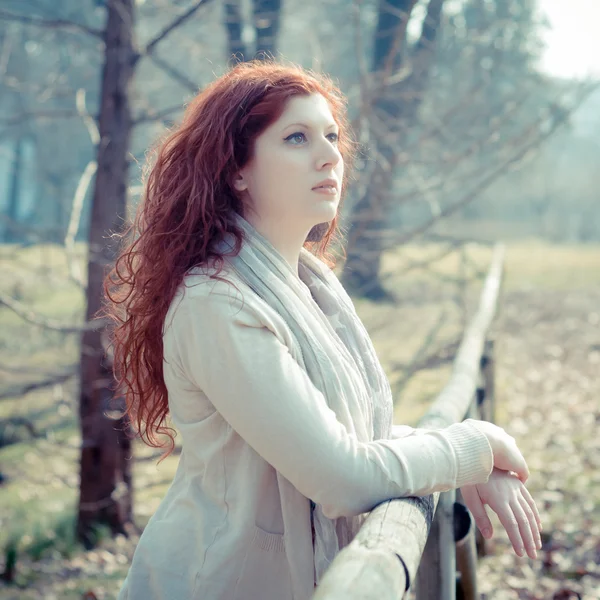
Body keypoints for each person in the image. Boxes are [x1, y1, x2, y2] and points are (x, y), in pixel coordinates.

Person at [105, 60, 542, 600]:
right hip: (216, 582)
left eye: (331, 135)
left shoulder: (310, 288)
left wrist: (466, 462)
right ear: (236, 169)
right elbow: (342, 475)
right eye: (296, 137)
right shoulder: (215, 303)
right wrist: (472, 445)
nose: (330, 154)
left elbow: (353, 441)